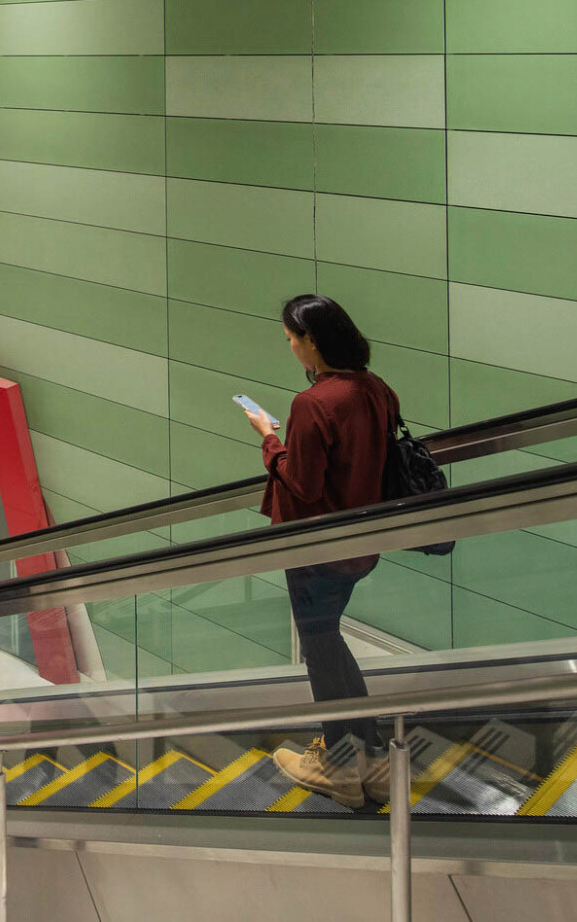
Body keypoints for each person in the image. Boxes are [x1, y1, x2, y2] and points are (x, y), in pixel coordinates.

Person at [245, 294, 399, 809]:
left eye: (291, 339)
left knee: (318, 647)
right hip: (362, 541)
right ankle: (374, 759)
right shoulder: (375, 389)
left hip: (317, 547)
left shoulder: (312, 404)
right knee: (328, 640)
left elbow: (304, 483)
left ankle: (338, 766)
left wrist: (269, 441)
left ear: (312, 341)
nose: (290, 348)